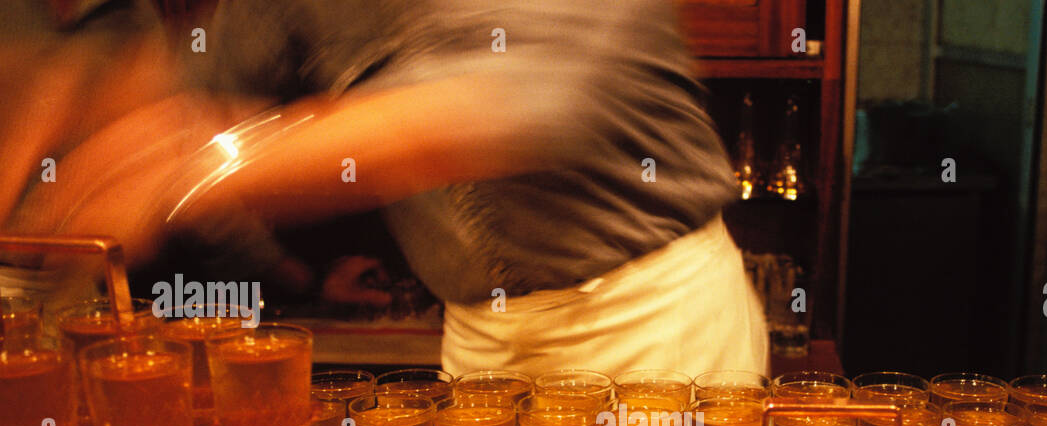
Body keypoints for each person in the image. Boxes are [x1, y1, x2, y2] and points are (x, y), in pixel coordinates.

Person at [3, 0, 768, 378]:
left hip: (650, 325)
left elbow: (498, 108)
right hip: (481, 332)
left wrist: (182, 172)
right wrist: (65, 107)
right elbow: (193, 72)